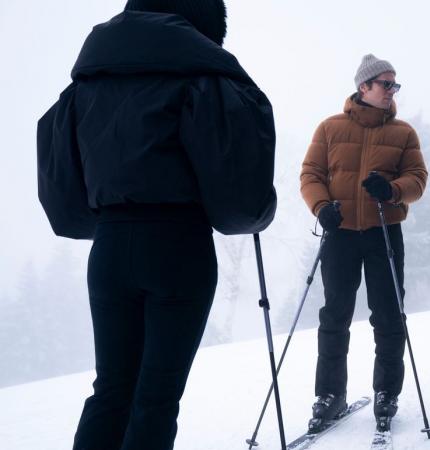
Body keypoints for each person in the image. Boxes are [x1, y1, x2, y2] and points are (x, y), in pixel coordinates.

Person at [36, 1, 276, 449]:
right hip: (177, 246)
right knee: (156, 399)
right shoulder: (202, 78)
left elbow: (63, 191)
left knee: (110, 390)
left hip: (108, 248)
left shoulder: (87, 81)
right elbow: (238, 198)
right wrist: (259, 210)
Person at [299, 54, 428, 430]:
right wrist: (321, 207)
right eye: (385, 83)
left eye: (394, 85)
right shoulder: (329, 128)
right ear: (364, 86)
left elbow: (418, 178)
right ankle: (329, 394)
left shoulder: (403, 133)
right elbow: (311, 173)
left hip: (384, 232)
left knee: (388, 314)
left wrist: (391, 190)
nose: (391, 90)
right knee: (334, 315)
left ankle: (387, 392)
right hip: (339, 233)